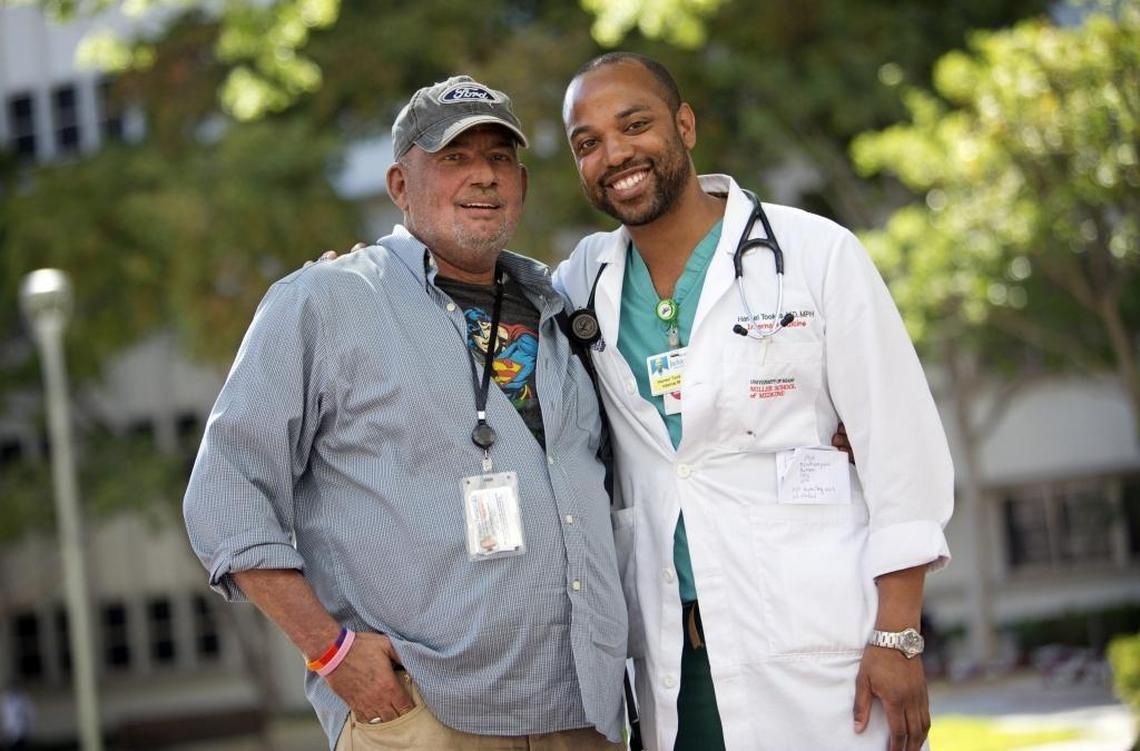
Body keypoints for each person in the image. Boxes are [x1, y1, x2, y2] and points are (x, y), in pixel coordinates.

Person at [183, 75, 627, 751]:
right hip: (424, 714)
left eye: (499, 157)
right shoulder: (328, 301)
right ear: (399, 184)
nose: (483, 175)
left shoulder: (563, 309)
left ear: (522, 183)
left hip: (581, 715)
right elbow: (225, 495)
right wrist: (332, 652)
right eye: (454, 157)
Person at [553, 53, 955, 751]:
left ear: (685, 125)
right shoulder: (582, 281)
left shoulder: (815, 254)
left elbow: (901, 449)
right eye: (588, 143)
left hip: (822, 659)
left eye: (635, 125)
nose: (614, 155)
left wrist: (898, 633)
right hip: (676, 664)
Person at [0, 683, 33, 751]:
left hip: (19, 735)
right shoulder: (6, 701)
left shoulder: (23, 700)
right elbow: (7, 719)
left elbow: (29, 716)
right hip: (10, 735)